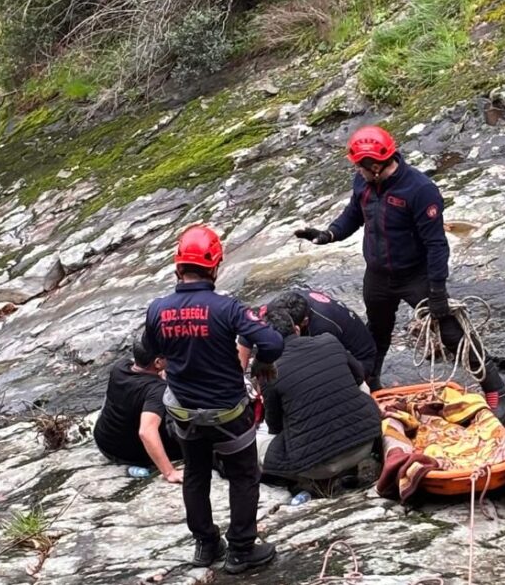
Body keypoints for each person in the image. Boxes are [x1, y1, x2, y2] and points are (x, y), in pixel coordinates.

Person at [293, 125, 505, 421]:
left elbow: (437, 244)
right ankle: (371, 385)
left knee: (451, 333)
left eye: (360, 166)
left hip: (415, 276)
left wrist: (437, 291)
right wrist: (328, 234)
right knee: (376, 333)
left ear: (375, 165)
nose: (357, 171)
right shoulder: (364, 184)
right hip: (378, 276)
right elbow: (353, 215)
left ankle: (498, 391)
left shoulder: (420, 190)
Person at [142, 224, 284, 575]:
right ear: (215, 267)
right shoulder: (227, 308)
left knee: (196, 475)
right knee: (244, 475)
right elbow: (273, 342)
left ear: (178, 267)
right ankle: (240, 550)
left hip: (184, 414)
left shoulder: (157, 309)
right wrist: (262, 362)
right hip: (227, 412)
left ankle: (206, 545)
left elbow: (150, 349)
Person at [255, 310, 381, 483]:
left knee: (258, 444)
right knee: (361, 388)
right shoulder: (329, 340)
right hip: (366, 444)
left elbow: (275, 427)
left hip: (321, 467)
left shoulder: (268, 371)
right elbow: (360, 377)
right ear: (297, 329)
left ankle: (308, 484)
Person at [237, 289, 379, 389]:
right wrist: (238, 376)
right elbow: (247, 332)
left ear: (303, 322)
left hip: (360, 360)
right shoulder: (278, 307)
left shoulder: (322, 328)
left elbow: (314, 365)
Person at [93, 342, 184, 483]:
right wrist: (170, 472)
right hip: (130, 456)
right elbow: (146, 432)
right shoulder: (156, 390)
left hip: (103, 443)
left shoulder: (120, 367)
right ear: (158, 362)